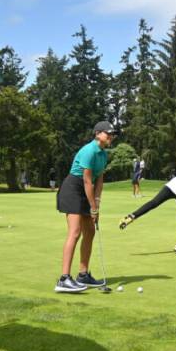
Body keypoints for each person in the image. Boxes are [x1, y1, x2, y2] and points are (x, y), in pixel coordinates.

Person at [55, 121, 115, 293]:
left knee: (90, 231)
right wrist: (93, 207)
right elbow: (87, 181)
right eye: (107, 133)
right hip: (73, 189)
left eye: (112, 134)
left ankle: (83, 274)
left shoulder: (103, 154)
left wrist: (97, 203)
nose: (111, 136)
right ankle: (64, 279)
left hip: (86, 190)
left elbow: (99, 180)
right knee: (75, 232)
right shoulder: (89, 151)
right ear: (97, 133)